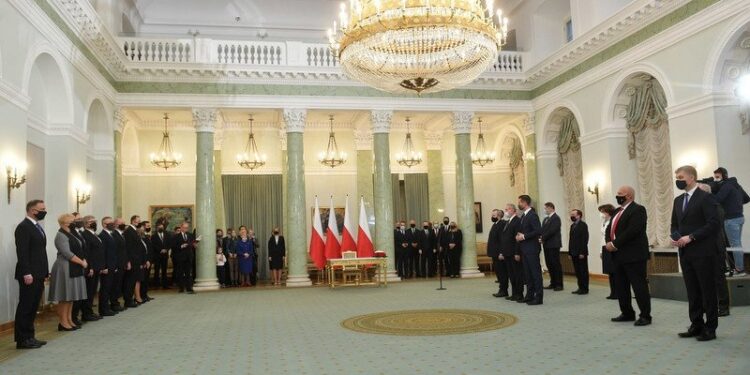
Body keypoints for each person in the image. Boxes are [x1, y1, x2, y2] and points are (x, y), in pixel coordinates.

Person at [672, 166, 721, 341]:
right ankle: (696, 324)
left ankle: (711, 327)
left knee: (707, 290)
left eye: (680, 176)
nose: (677, 179)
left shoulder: (706, 198)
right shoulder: (678, 200)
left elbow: (714, 224)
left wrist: (691, 237)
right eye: (676, 176)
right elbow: (674, 225)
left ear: (691, 178)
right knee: (692, 290)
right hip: (685, 253)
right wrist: (676, 237)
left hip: (703, 251)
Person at [605, 186, 652, 326]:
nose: (617, 196)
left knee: (639, 286)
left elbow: (633, 231)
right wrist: (609, 242)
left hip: (634, 255)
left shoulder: (638, 210)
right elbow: (610, 228)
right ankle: (627, 313)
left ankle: (645, 315)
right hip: (618, 255)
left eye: (620, 194)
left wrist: (614, 244)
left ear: (629, 196)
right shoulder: (617, 211)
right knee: (621, 286)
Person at [14, 199, 50, 349]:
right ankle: (22, 339)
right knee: (26, 306)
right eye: (41, 209)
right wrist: (27, 272)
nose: (44, 211)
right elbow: (22, 253)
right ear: (32, 210)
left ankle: (30, 336)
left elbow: (40, 252)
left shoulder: (36, 227)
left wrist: (45, 271)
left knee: (34, 305)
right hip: (29, 274)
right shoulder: (24, 227)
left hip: (39, 272)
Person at [48, 214, 88, 332]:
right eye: (72, 221)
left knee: (70, 297)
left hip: (73, 267)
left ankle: (69, 319)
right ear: (64, 223)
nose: (75, 223)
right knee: (64, 297)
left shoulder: (71, 233)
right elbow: (67, 253)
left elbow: (80, 248)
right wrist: (82, 262)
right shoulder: (60, 235)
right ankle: (63, 322)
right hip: (64, 267)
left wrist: (83, 259)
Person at [697, 183, 731, 317]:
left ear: (705, 193)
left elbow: (713, 227)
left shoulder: (716, 206)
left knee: (718, 278)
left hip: (715, 247)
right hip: (703, 248)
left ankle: (723, 306)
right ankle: (707, 305)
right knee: (704, 279)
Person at [711, 167, 747, 277]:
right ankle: (739, 268)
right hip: (740, 217)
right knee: (737, 244)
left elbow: (716, 199)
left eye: (717, 177)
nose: (716, 179)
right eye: (715, 177)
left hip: (731, 219)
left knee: (735, 245)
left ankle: (739, 270)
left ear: (724, 176)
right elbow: (746, 198)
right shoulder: (735, 184)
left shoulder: (726, 186)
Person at [515, 195, 543, 305]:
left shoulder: (533, 215)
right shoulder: (523, 216)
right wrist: (518, 236)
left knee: (535, 274)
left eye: (519, 202)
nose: (519, 204)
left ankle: (538, 297)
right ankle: (529, 295)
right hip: (525, 249)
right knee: (528, 274)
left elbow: (538, 231)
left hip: (532, 249)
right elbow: (523, 231)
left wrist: (524, 236)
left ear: (525, 202)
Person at [81, 215, 104, 321]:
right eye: (91, 221)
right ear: (85, 223)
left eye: (95, 221)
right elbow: (87, 253)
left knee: (93, 290)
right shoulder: (85, 234)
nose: (94, 223)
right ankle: (86, 314)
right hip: (91, 267)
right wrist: (90, 267)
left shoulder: (94, 234)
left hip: (97, 266)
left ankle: (90, 311)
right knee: (89, 291)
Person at [501, 204, 523, 301]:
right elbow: (505, 238)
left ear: (514, 210)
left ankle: (519, 294)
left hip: (514, 253)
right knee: (511, 275)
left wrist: (517, 252)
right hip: (507, 253)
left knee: (517, 274)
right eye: (505, 209)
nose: (506, 211)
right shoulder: (508, 222)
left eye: (507, 209)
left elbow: (517, 239)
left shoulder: (517, 221)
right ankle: (514, 293)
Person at [540, 202, 564, 291]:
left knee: (555, 264)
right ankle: (553, 282)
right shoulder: (545, 219)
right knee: (549, 264)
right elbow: (542, 230)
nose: (545, 210)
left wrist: (543, 237)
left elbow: (553, 230)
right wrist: (540, 237)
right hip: (546, 244)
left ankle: (559, 284)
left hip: (554, 244)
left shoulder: (556, 218)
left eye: (545, 208)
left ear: (551, 208)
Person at [97, 217, 118, 317]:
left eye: (112, 223)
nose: (112, 224)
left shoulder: (111, 235)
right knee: (105, 288)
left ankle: (107, 307)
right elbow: (102, 253)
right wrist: (104, 266)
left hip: (112, 265)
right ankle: (103, 309)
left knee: (109, 287)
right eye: (110, 223)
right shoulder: (102, 235)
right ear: (104, 224)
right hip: (106, 267)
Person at [123, 215, 144, 308]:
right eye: (137, 221)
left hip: (136, 260)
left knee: (133, 281)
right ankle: (128, 301)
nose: (138, 223)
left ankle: (130, 299)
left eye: (139, 221)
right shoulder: (129, 232)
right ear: (132, 221)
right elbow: (128, 248)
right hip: (132, 261)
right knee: (129, 282)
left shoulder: (134, 231)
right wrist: (129, 261)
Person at [598, 204, 617, 299]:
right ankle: (613, 292)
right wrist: (600, 251)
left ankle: (617, 292)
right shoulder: (604, 222)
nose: (601, 214)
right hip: (604, 247)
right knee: (610, 272)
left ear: (608, 212)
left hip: (611, 247)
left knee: (614, 272)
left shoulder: (613, 221)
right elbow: (602, 237)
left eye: (603, 212)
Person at [487, 209, 508, 297]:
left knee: (502, 273)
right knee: (499, 272)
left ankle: (503, 290)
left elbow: (502, 240)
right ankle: (501, 289)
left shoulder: (502, 224)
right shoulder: (495, 224)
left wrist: (501, 253)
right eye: (492, 215)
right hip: (494, 253)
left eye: (494, 216)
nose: (492, 217)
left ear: (499, 216)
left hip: (499, 253)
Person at [568, 209, 590, 295]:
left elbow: (585, 240)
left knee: (583, 271)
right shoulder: (572, 226)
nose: (572, 216)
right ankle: (580, 287)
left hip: (581, 252)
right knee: (577, 271)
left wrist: (582, 252)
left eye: (573, 214)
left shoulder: (583, 225)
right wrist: (569, 252)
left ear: (578, 216)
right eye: (571, 214)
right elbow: (571, 240)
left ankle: (585, 288)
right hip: (573, 252)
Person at [172, 222, 195, 294]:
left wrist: (194, 244)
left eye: (187, 228)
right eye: (185, 227)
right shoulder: (176, 236)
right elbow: (173, 247)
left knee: (188, 273)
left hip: (188, 256)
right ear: (181, 227)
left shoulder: (190, 235)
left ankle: (189, 288)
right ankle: (181, 288)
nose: (186, 229)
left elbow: (192, 244)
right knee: (180, 273)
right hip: (180, 257)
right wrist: (181, 246)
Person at [110, 218, 128, 311]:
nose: (124, 225)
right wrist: (116, 265)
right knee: (115, 284)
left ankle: (116, 302)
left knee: (119, 284)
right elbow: (115, 251)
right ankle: (114, 303)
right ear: (116, 224)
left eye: (124, 223)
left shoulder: (121, 234)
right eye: (122, 223)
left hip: (122, 263)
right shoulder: (114, 235)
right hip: (117, 264)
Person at [151, 221, 171, 289]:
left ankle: (165, 285)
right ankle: (156, 285)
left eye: (162, 227)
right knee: (156, 270)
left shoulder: (167, 235)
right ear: (157, 227)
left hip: (165, 255)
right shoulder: (153, 236)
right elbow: (153, 245)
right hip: (157, 256)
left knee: (164, 270)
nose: (161, 228)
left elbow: (169, 244)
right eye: (159, 227)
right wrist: (160, 250)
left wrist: (166, 249)